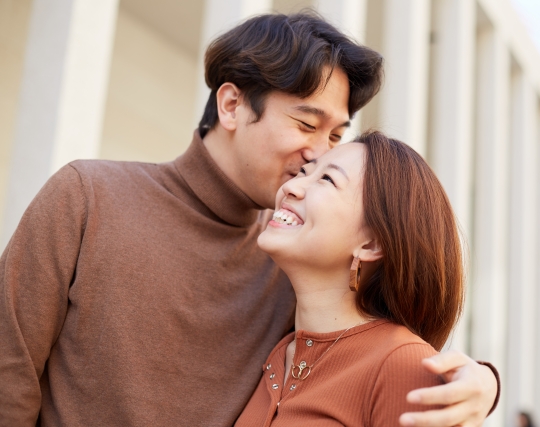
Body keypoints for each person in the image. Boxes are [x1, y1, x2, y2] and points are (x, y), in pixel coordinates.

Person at [0, 12, 498, 427]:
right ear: (233, 104)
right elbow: (9, 377)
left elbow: (381, 356)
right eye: (307, 124)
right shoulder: (86, 197)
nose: (317, 154)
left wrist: (484, 383)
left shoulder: (297, 260)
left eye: (335, 138)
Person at [235, 131, 465, 426]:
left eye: (327, 179)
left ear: (371, 245)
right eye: (304, 172)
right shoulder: (278, 354)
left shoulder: (404, 365)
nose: (291, 186)